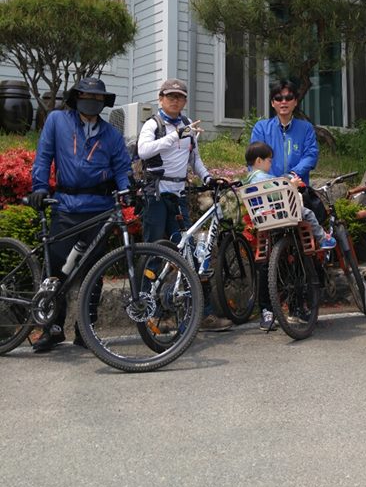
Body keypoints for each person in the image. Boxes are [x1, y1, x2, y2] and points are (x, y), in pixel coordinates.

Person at [28, 77, 132, 353]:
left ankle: (86, 330)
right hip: (65, 204)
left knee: (92, 272)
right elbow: (43, 156)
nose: (93, 101)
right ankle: (53, 327)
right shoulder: (57, 122)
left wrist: (127, 190)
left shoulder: (111, 134)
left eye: (99, 98)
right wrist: (39, 187)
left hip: (99, 209)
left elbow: (122, 168)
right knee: (57, 269)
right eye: (87, 96)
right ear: (76, 97)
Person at [137, 78, 231, 332]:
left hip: (178, 194)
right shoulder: (153, 124)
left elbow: (194, 158)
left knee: (191, 254)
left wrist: (208, 177)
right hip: (155, 195)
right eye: (170, 96)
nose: (175, 100)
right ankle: (146, 314)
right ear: (160, 99)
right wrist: (174, 136)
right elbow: (143, 150)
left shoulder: (188, 125)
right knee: (154, 254)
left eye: (180, 97)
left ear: (185, 100)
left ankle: (202, 314)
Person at [244, 140, 336, 331]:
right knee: (308, 214)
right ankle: (324, 238)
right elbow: (276, 190)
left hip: (263, 219)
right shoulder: (264, 177)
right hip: (282, 213)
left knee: (269, 263)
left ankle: (272, 311)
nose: (271, 163)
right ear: (260, 161)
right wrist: (291, 183)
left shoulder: (249, 178)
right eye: (269, 160)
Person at [250, 80, 318, 185]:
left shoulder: (306, 128)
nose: (284, 102)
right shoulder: (261, 128)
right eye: (278, 98)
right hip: (268, 191)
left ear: (295, 101)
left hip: (297, 189)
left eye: (289, 98)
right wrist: (275, 183)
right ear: (272, 103)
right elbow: (255, 160)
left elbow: (310, 156)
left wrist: (291, 175)